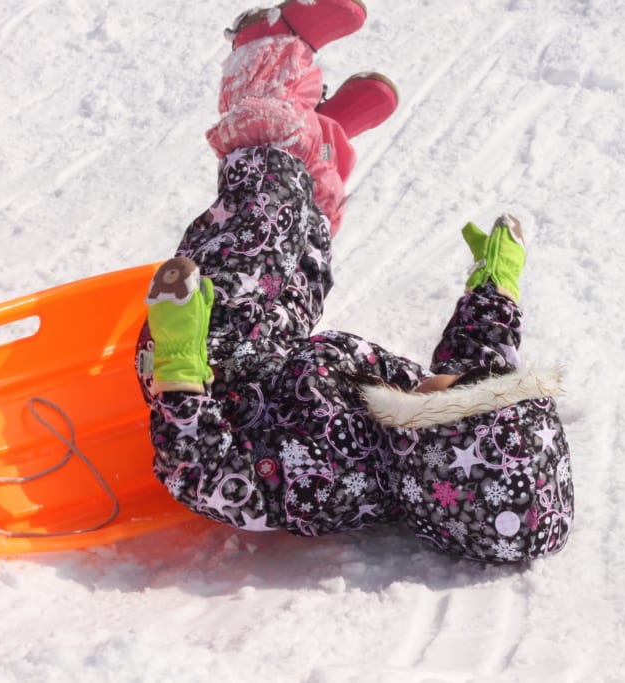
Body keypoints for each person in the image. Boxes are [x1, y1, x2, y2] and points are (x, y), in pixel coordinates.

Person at [134, 0, 573, 564]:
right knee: (308, 255)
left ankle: (266, 54)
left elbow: (210, 479)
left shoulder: (330, 487)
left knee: (264, 215)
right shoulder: (428, 415)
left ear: (435, 444)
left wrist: (178, 369)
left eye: (463, 387)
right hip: (276, 346)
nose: (460, 373)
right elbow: (482, 349)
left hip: (206, 364)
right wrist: (498, 280)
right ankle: (322, 142)